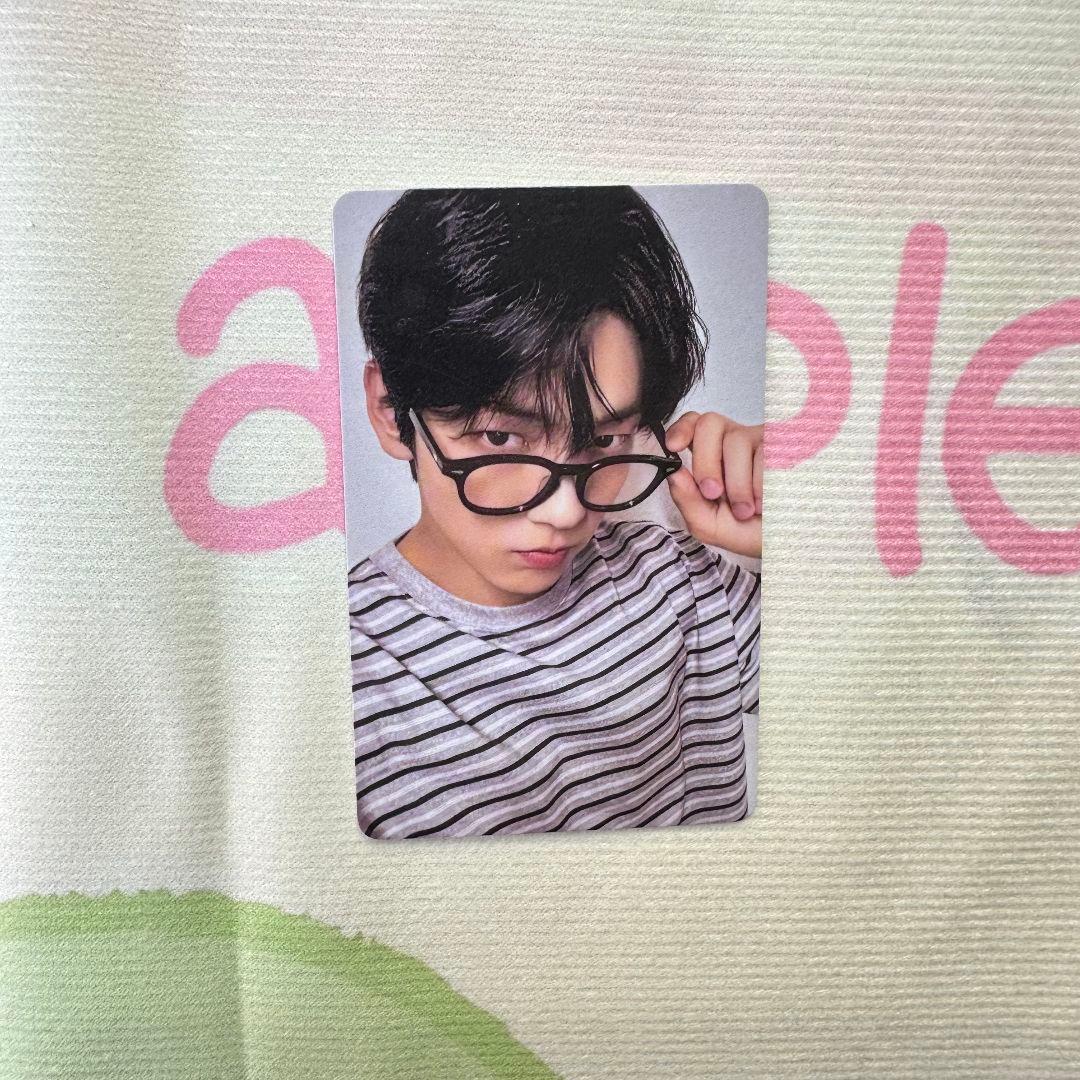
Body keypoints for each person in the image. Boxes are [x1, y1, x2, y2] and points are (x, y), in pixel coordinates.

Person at [345, 187, 761, 839]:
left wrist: (806, 525)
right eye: (501, 438)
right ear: (390, 410)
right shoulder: (343, 680)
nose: (566, 511)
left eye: (604, 440)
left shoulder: (678, 577)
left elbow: (881, 705)